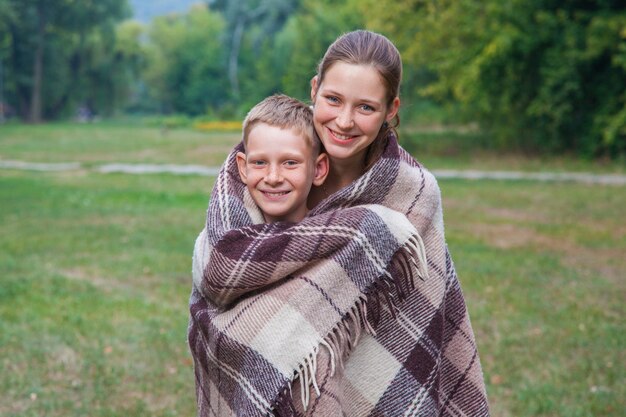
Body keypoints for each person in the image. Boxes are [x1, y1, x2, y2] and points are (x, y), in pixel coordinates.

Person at [188, 30, 490, 417]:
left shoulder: (411, 193)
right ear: (315, 89)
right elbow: (221, 261)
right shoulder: (275, 153)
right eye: (333, 99)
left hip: (367, 379)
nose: (344, 121)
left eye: (366, 107)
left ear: (391, 109)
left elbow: (418, 311)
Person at [235, 94, 329, 224]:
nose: (273, 178)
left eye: (290, 163)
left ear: (318, 169)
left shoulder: (341, 236)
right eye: (260, 163)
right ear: (243, 168)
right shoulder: (221, 236)